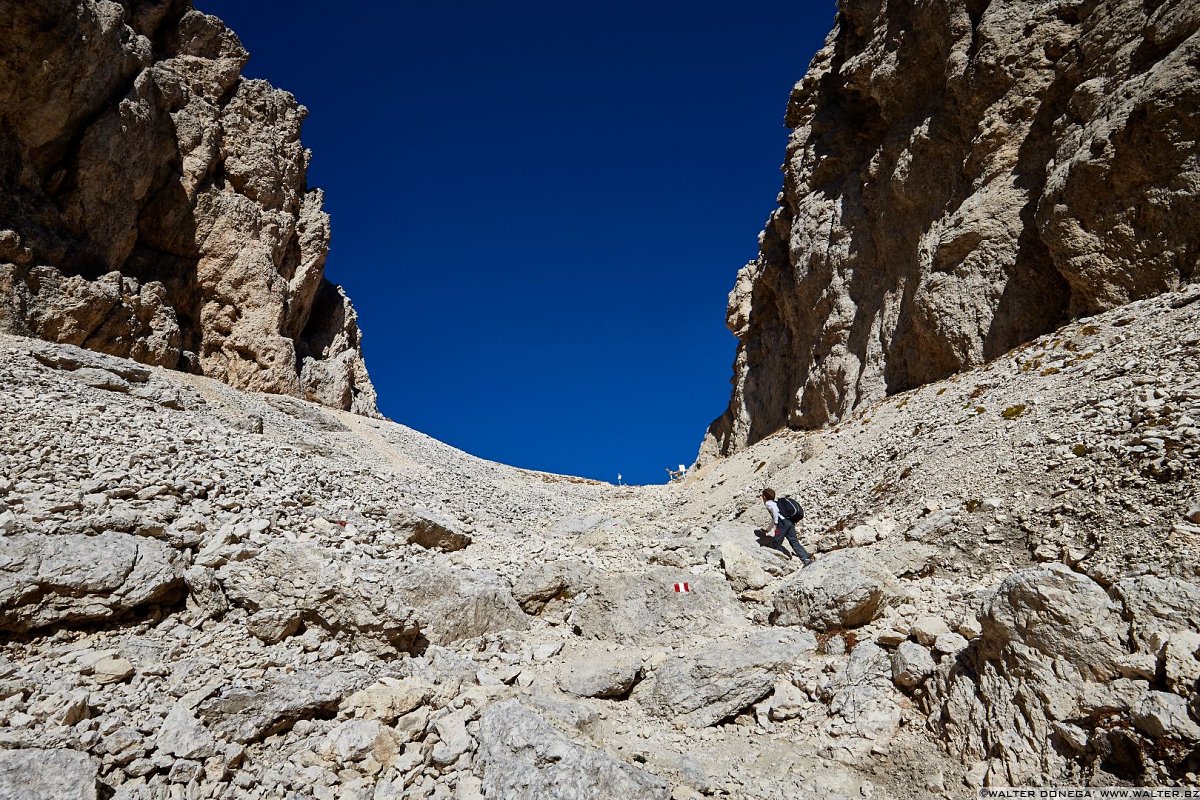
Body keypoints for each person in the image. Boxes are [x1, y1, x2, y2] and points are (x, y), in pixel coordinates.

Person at [761, 488, 814, 565]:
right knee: (793, 541)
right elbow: (775, 516)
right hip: (789, 522)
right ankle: (806, 558)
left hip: (782, 523)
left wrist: (776, 524)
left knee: (776, 542)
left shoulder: (768, 503)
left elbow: (775, 513)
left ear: (764, 497)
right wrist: (768, 530)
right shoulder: (775, 503)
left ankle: (781, 562)